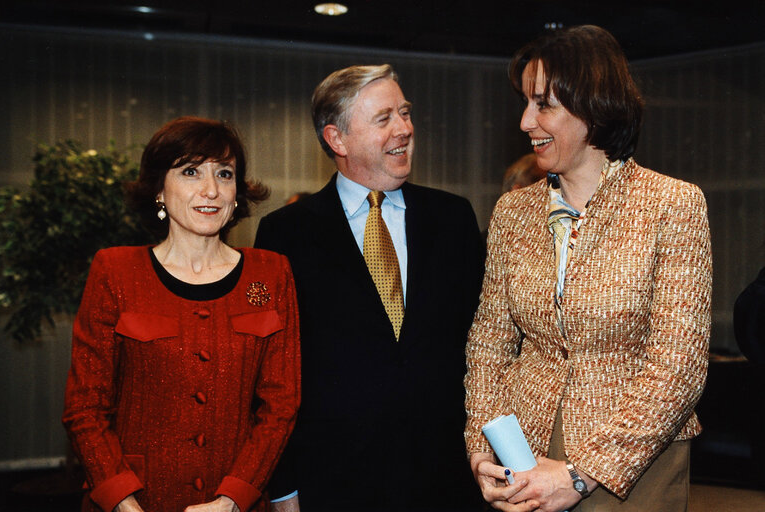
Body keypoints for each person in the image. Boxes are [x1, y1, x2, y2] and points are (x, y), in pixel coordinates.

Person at [464, 25, 712, 512]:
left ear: (594, 106)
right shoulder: (513, 212)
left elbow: (678, 366)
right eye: (525, 102)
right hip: (523, 455)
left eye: (544, 104)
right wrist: (481, 448)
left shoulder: (673, 204)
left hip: (635, 464)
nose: (524, 121)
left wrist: (582, 474)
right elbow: (489, 340)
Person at [254, 64, 485, 511]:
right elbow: (271, 375)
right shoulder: (286, 235)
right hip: (335, 485)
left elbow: (486, 346)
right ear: (336, 139)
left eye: (405, 112)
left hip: (449, 483)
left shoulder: (453, 219)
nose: (405, 129)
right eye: (384, 119)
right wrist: (283, 488)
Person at [62, 117, 301, 512]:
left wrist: (233, 499)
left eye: (224, 174)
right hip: (134, 501)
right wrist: (123, 501)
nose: (211, 190)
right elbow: (84, 407)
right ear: (159, 187)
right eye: (190, 171)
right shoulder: (115, 272)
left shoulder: (272, 274)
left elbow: (281, 406)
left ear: (237, 192)